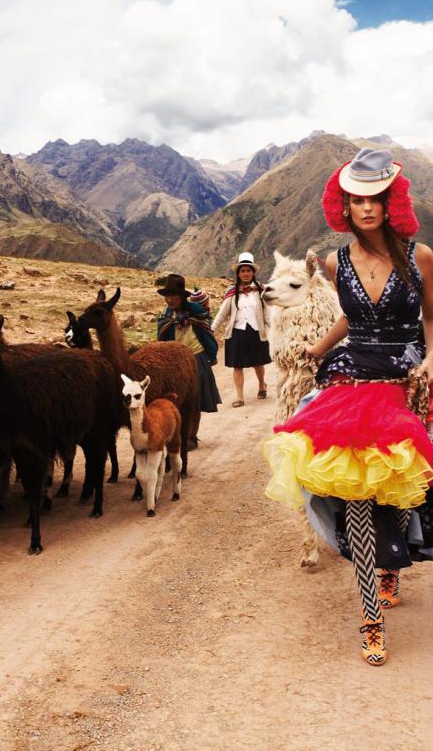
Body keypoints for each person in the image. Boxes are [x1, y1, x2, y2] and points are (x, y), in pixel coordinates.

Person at [262, 147, 433, 665]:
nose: (366, 208)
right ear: (345, 206)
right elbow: (352, 319)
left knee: (398, 488)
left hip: (407, 376)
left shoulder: (421, 257)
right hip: (354, 375)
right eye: (357, 200)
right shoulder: (336, 263)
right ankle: (371, 618)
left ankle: (392, 564)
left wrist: (431, 360)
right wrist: (317, 350)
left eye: (375, 198)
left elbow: (431, 318)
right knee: (354, 486)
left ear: (391, 203)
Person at [156, 273, 221, 447]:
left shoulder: (196, 312)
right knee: (175, 399)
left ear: (182, 296)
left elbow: (206, 331)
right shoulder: (165, 317)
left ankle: (191, 436)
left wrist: (211, 355)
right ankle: (176, 435)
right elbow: (161, 339)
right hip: (174, 362)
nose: (170, 299)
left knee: (194, 400)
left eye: (173, 295)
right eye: (167, 296)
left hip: (196, 358)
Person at [212, 252, 271, 407]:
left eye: (248, 270)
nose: (245, 274)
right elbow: (223, 313)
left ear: (253, 273)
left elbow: (267, 313)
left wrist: (274, 329)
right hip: (236, 332)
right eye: (243, 271)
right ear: (238, 273)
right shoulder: (232, 292)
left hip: (256, 331)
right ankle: (239, 397)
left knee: (258, 363)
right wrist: (212, 328)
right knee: (237, 365)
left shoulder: (260, 290)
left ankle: (262, 385)